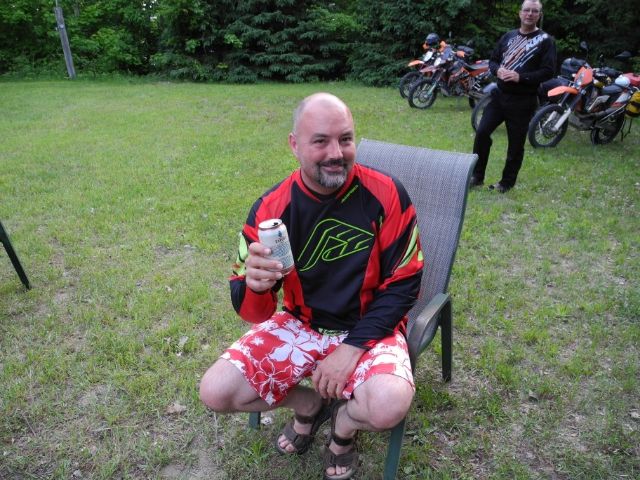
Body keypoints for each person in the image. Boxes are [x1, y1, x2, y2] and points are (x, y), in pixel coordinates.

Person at [199, 92, 424, 480]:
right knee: (216, 391)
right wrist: (256, 286)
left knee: (388, 405)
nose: (336, 153)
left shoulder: (386, 192)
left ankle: (343, 425)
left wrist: (352, 349)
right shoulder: (270, 209)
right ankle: (310, 405)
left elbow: (406, 283)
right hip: (300, 322)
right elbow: (253, 312)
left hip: (370, 326)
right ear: (294, 145)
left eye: (345, 139)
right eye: (320, 141)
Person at [470, 0, 556, 193]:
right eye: (527, 10)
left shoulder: (546, 41)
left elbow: (549, 71)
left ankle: (506, 183)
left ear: (539, 15)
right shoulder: (508, 36)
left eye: (535, 11)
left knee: (515, 144)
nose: (530, 14)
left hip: (523, 100)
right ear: (520, 13)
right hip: (499, 96)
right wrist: (497, 70)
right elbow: (493, 61)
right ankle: (477, 176)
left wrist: (521, 77)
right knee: (482, 132)